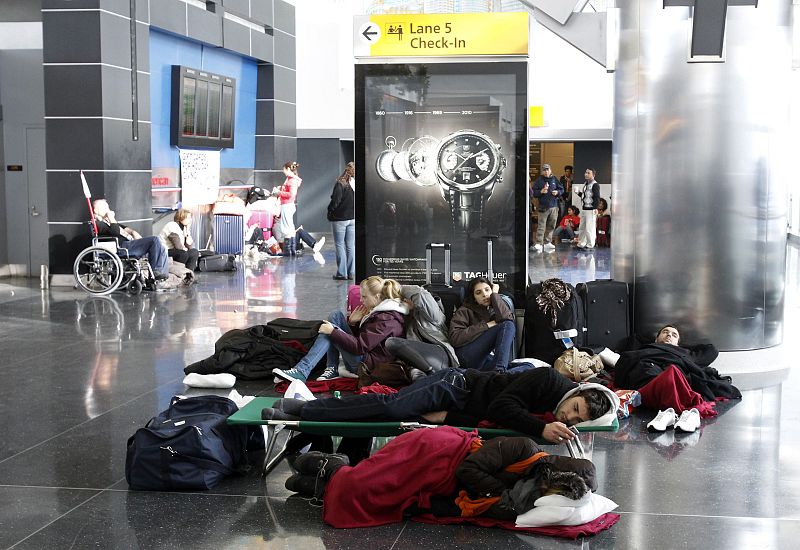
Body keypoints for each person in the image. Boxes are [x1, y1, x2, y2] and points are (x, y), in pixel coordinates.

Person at [283, 427, 597, 527]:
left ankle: (319, 483)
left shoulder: (535, 484)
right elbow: (468, 469)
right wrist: (499, 492)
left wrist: (500, 497)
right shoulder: (524, 448)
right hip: (437, 454)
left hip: (443, 474)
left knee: (383, 499)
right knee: (366, 484)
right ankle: (327, 466)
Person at [262, 365, 615, 444]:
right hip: (456, 384)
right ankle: (300, 409)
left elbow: (491, 416)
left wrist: (449, 417)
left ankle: (300, 411)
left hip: (458, 403)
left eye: (576, 419)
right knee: (391, 407)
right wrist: (540, 428)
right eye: (575, 408)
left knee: (389, 410)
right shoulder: (549, 381)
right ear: (577, 394)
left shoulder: (555, 410)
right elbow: (500, 407)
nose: (568, 415)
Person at [272, 276, 409, 383]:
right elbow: (366, 341)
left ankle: (302, 370)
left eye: (364, 297)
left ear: (377, 297)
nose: (361, 300)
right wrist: (352, 323)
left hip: (366, 367)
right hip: (366, 358)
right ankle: (330, 368)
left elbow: (359, 346)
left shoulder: (386, 320)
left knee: (331, 330)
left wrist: (333, 331)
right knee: (335, 316)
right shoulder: (382, 314)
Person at [608, 324, 741, 402]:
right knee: (647, 369)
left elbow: (712, 350)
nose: (669, 335)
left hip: (675, 368)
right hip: (648, 365)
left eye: (674, 335)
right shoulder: (646, 349)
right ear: (656, 337)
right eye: (665, 332)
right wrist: (656, 343)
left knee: (673, 372)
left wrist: (679, 348)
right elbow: (633, 342)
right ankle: (660, 394)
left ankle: (661, 394)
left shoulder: (686, 354)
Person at [384, 284, 459, 377]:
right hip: (419, 362)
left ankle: (428, 372)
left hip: (440, 355)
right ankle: (426, 377)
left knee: (392, 342)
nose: (403, 303)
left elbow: (419, 294)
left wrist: (398, 288)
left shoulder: (434, 316)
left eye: (405, 300)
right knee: (414, 373)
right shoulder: (405, 320)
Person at [449, 276, 516, 372]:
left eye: (487, 290)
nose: (484, 295)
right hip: (467, 356)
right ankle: (499, 371)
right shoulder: (465, 310)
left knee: (526, 366)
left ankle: (499, 370)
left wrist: (495, 294)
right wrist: (487, 325)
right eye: (478, 293)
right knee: (507, 325)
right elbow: (455, 338)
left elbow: (507, 318)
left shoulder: (494, 308)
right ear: (474, 297)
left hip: (485, 359)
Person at [92, 199, 169, 279]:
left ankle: (162, 277)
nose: (108, 209)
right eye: (105, 207)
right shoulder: (98, 223)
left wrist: (133, 232)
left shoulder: (107, 221)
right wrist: (111, 218)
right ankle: (156, 272)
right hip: (120, 247)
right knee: (154, 240)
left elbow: (123, 228)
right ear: (96, 210)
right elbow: (115, 232)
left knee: (162, 247)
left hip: (127, 244)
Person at [327, 161, 356, 280]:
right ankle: (351, 273)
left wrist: (330, 211)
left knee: (339, 245)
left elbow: (335, 201)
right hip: (353, 218)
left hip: (340, 219)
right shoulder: (356, 184)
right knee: (350, 246)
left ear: (346, 169)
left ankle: (341, 273)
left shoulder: (341, 183)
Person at [530, 164, 563, 253]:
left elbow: (561, 189)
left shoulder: (554, 179)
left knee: (551, 225)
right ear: (542, 171)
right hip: (543, 207)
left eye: (547, 170)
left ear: (550, 170)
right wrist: (541, 191)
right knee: (541, 226)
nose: (546, 172)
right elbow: (533, 192)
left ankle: (547, 242)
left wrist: (557, 192)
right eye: (544, 170)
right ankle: (539, 243)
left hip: (554, 206)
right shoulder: (539, 180)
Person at [273, 161, 302, 256]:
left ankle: (288, 251)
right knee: (290, 227)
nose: (283, 171)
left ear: (288, 169)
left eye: (284, 169)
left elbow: (291, 194)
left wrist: (278, 192)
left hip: (287, 205)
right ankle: (291, 251)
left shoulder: (291, 180)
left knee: (287, 229)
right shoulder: (291, 179)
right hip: (288, 205)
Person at [576, 168, 601, 249]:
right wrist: (578, 193)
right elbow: (585, 196)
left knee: (589, 228)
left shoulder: (595, 185)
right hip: (584, 209)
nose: (586, 174)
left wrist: (596, 208)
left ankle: (590, 245)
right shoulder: (585, 184)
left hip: (591, 210)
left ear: (593, 175)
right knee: (582, 227)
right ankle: (582, 243)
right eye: (585, 172)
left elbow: (597, 197)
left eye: (588, 173)